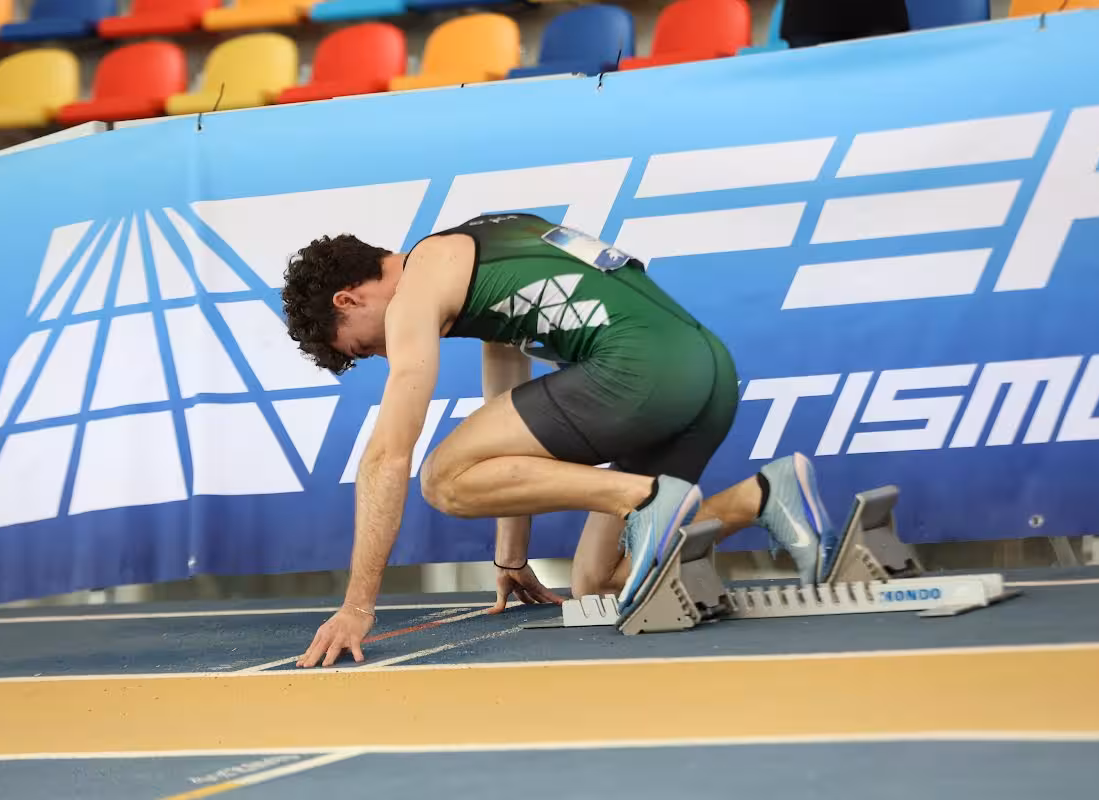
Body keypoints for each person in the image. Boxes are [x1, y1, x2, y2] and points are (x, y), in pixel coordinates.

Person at [281, 213, 840, 668]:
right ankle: (764, 496)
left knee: (442, 480)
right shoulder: (480, 251)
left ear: (347, 300)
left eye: (363, 347)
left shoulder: (416, 290)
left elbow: (387, 455)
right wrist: (511, 555)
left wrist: (357, 607)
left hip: (643, 370)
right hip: (707, 373)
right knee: (599, 584)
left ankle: (644, 498)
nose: (383, 353)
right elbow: (506, 421)